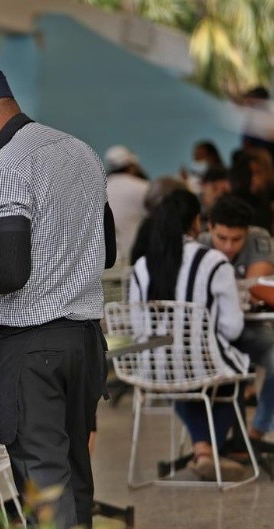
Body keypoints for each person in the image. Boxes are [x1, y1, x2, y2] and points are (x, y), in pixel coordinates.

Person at [0, 71, 113, 528]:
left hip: (33, 348)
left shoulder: (5, 168)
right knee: (75, 469)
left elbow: (10, 274)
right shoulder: (82, 152)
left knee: (43, 478)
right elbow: (106, 250)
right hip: (85, 343)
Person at [131, 189, 249, 480]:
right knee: (234, 369)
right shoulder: (214, 262)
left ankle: (202, 452)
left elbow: (136, 325)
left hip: (150, 366)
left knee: (176, 368)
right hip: (200, 364)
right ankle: (208, 451)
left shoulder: (143, 265)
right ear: (197, 221)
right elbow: (233, 327)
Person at [199, 195, 274, 440]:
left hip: (249, 329)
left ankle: (256, 432)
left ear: (247, 231)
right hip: (209, 335)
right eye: (221, 238)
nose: (228, 247)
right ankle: (210, 440)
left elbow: (255, 286)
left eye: (237, 239)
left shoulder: (258, 238)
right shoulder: (198, 244)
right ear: (209, 227)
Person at [104, 145, 150, 264]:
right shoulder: (143, 187)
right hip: (134, 258)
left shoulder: (99, 188)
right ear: (131, 166)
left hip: (105, 259)